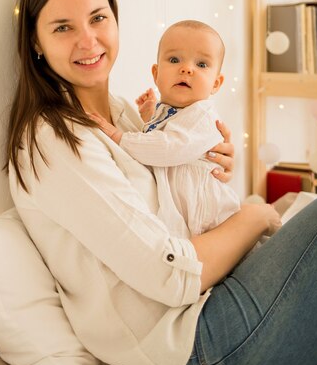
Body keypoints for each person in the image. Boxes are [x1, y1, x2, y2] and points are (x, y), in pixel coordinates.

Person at [6, 0, 317, 365]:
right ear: (37, 43)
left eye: (99, 18)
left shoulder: (128, 114)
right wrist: (254, 216)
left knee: (305, 204)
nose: (88, 39)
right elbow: (169, 275)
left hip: (215, 310)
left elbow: (172, 196)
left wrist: (209, 172)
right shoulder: (53, 140)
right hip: (201, 353)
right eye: (62, 27)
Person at [89, 20, 241, 239]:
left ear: (216, 84)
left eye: (201, 64)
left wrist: (120, 137)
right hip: (186, 220)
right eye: (174, 59)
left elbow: (170, 147)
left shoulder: (202, 116)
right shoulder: (170, 110)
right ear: (156, 74)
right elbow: (164, 135)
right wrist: (150, 116)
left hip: (211, 218)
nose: (186, 68)